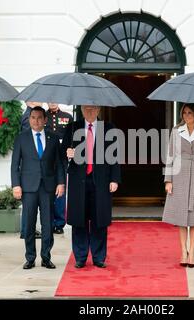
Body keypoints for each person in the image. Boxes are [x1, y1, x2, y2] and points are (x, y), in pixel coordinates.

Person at [62, 105, 121, 269]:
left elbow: (115, 156)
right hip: (78, 181)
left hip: (100, 181)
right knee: (79, 219)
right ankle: (80, 257)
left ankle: (98, 256)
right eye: (86, 108)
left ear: (99, 110)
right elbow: (62, 153)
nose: (89, 111)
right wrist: (68, 154)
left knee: (99, 220)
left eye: (93, 108)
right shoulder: (72, 127)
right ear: (81, 109)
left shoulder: (108, 128)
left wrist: (114, 179)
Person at [11, 106, 65, 270]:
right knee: (29, 223)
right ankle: (30, 258)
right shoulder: (22, 138)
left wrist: (61, 183)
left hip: (48, 187)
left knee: (48, 223)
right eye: (33, 117)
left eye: (40, 118)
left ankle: (46, 257)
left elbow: (60, 164)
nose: (36, 121)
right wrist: (16, 185)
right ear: (29, 119)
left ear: (45, 120)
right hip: (28, 187)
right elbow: (15, 165)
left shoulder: (54, 138)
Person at [162, 103, 194, 268]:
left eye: (190, 112)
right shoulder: (176, 131)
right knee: (181, 217)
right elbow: (170, 155)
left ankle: (192, 252)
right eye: (184, 113)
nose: (187, 115)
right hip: (179, 174)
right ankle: (183, 251)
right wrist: (168, 180)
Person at [21, 102, 73, 235]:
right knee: (45, 192)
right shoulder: (41, 116)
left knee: (60, 190)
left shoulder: (67, 116)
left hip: (60, 157)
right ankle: (44, 224)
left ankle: (59, 223)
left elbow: (72, 137)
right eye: (50, 100)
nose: (53, 102)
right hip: (45, 159)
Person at [19, 101, 44, 240]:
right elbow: (30, 140)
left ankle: (28, 229)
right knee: (29, 205)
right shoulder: (28, 116)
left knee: (30, 205)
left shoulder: (30, 113)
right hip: (30, 168)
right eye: (37, 99)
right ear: (29, 101)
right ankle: (26, 230)